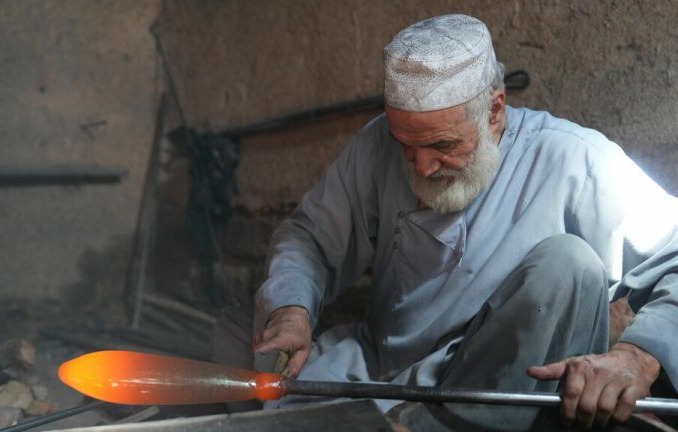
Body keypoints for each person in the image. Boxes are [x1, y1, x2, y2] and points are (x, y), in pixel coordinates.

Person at [230, 14, 677, 430]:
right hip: (385, 374)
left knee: (570, 264)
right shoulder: (375, 149)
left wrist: (638, 356)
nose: (422, 167)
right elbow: (309, 237)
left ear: (495, 110)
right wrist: (291, 308)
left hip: (501, 390)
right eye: (405, 145)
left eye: (441, 145)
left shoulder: (572, 159)